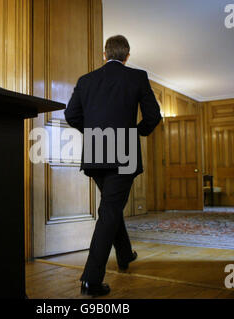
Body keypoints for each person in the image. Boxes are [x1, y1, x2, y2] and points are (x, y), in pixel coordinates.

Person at [64, 35, 162, 297]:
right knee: (110, 209)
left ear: (104, 54)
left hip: (96, 152)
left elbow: (71, 115)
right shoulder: (137, 77)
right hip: (123, 153)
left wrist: (96, 132)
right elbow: (154, 116)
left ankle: (125, 254)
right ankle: (91, 279)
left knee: (110, 205)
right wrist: (135, 133)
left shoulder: (86, 80)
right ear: (127, 56)